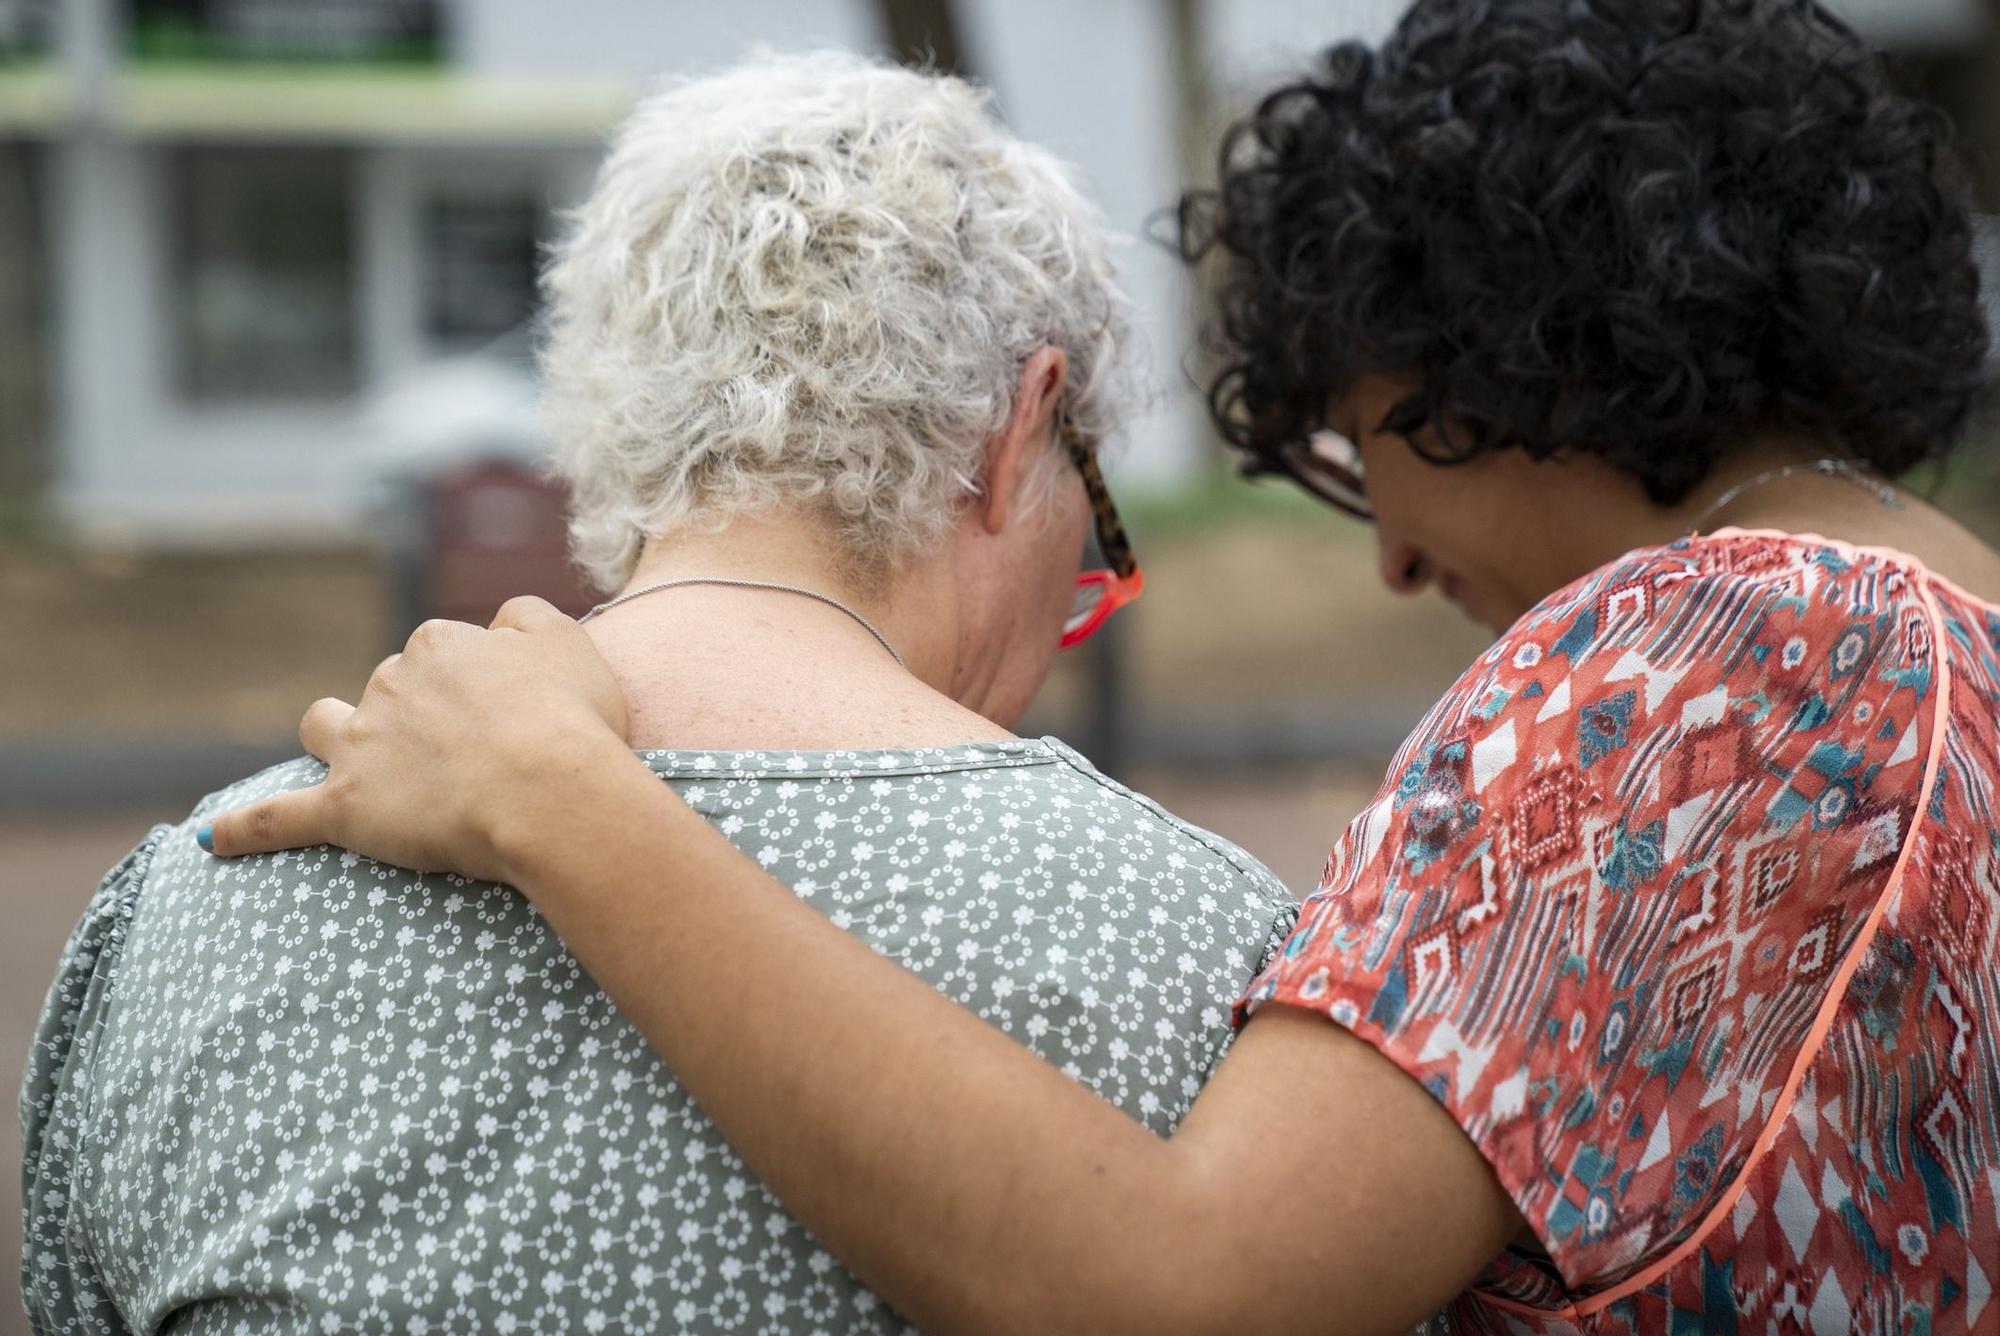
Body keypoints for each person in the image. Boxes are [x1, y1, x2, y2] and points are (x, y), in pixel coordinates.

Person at [194, 2, 2000, 1333]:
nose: (1385, 553)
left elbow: (1187, 1298)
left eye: (1374, 444)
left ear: (1542, 346)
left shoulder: (1708, 657)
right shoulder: (1950, 646)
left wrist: (565, 804)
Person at [18, 50, 1301, 1334]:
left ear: (605, 405)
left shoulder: (189, 904)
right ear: (1020, 427)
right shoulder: (1209, 952)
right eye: (1094, 512)